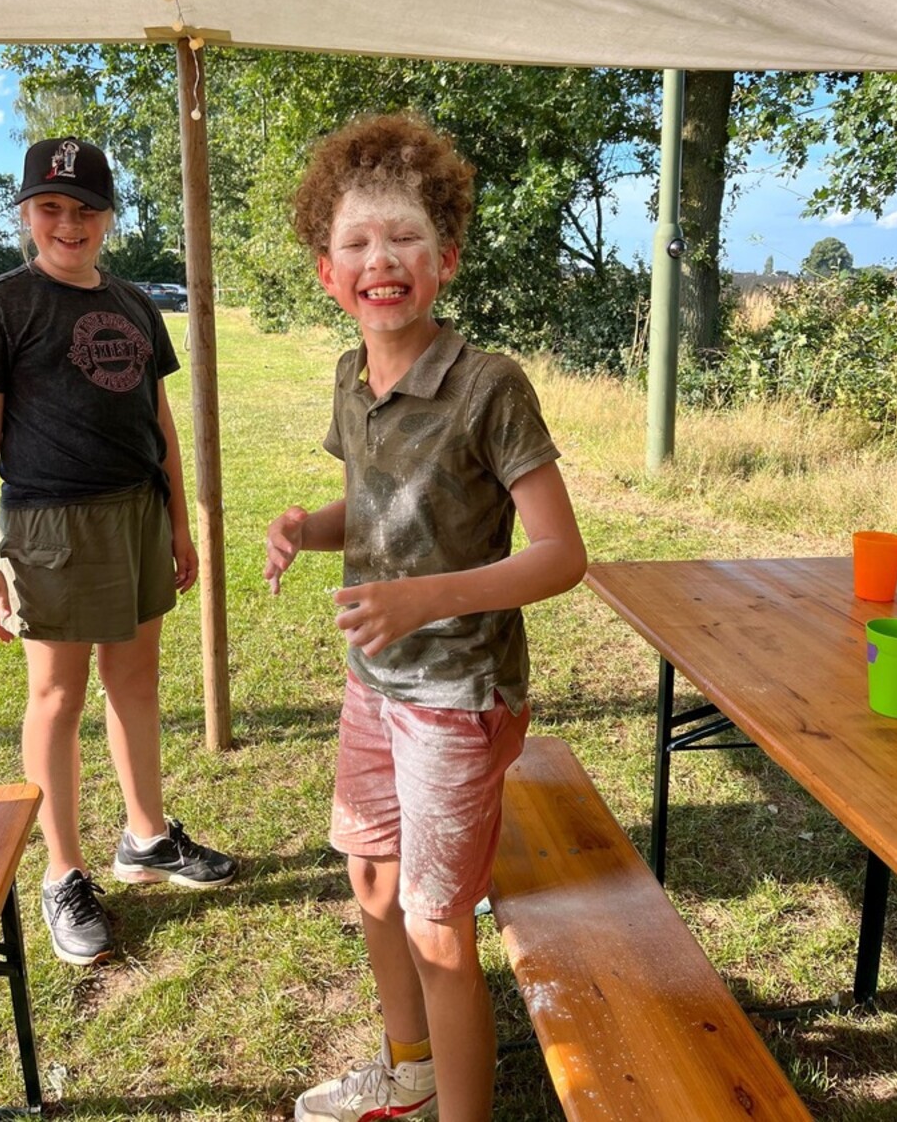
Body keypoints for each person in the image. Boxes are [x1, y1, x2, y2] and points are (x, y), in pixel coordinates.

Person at [265, 113, 587, 1122]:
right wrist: (306, 527)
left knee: (436, 923)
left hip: (456, 694)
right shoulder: (350, 378)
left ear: (444, 257)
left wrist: (424, 598)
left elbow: (561, 555)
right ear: (328, 273)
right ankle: (409, 1072)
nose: (381, 259)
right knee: (371, 876)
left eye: (404, 236)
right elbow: (369, 509)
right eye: (356, 242)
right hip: (374, 685)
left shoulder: (490, 386)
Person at [0, 137, 237, 967]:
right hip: (52, 524)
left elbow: (159, 421)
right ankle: (62, 871)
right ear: (25, 213)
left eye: (86, 209)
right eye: (50, 207)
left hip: (137, 512)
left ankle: (146, 836)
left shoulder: (136, 303)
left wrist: (178, 520)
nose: (68, 223)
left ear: (109, 216)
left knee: (135, 679)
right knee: (56, 694)